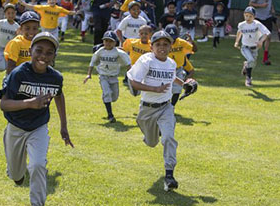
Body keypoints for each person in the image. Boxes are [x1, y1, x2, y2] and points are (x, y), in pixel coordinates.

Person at [0, 32, 73, 206]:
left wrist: (64, 126)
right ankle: (17, 175)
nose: (43, 56)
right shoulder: (19, 73)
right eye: (39, 50)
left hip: (38, 127)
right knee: (17, 176)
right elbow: (4, 104)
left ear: (54, 56)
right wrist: (29, 103)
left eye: (49, 53)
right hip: (16, 127)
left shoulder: (55, 78)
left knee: (38, 165)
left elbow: (59, 96)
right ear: (31, 50)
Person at [127, 30, 195, 192]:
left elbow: (172, 77)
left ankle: (169, 175)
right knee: (151, 143)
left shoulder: (171, 63)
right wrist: (154, 89)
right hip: (147, 109)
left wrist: (185, 83)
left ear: (171, 47)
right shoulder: (146, 61)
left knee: (169, 138)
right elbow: (134, 82)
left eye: (166, 44)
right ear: (151, 47)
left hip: (166, 107)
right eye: (158, 44)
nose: (162, 48)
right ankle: (153, 132)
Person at [83, 31, 131, 123]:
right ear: (103, 42)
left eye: (110, 41)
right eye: (106, 41)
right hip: (103, 76)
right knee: (107, 93)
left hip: (114, 77)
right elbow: (92, 63)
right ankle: (110, 115)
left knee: (114, 97)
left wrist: (130, 75)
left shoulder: (118, 52)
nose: (108, 43)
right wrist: (89, 74)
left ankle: (106, 97)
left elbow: (128, 63)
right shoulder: (100, 51)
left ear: (115, 42)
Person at [234, 7, 271, 87]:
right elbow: (239, 32)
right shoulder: (242, 25)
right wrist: (236, 41)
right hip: (245, 47)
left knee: (253, 64)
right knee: (251, 60)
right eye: (246, 15)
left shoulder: (257, 24)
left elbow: (267, 33)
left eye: (250, 16)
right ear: (244, 15)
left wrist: (261, 41)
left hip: (254, 48)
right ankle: (248, 79)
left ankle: (246, 65)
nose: (248, 18)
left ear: (254, 17)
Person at [165, 24, 196, 106]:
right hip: (165, 69)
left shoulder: (181, 42)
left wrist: (191, 41)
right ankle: (164, 106)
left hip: (178, 69)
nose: (172, 39)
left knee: (177, 89)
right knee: (165, 89)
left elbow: (194, 49)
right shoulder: (162, 43)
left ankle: (172, 106)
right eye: (170, 37)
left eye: (174, 37)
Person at [249, 0, 275, 65]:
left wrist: (272, 8)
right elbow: (250, 3)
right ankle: (250, 55)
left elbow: (270, 2)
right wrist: (261, 5)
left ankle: (265, 58)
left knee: (268, 36)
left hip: (267, 17)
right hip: (258, 17)